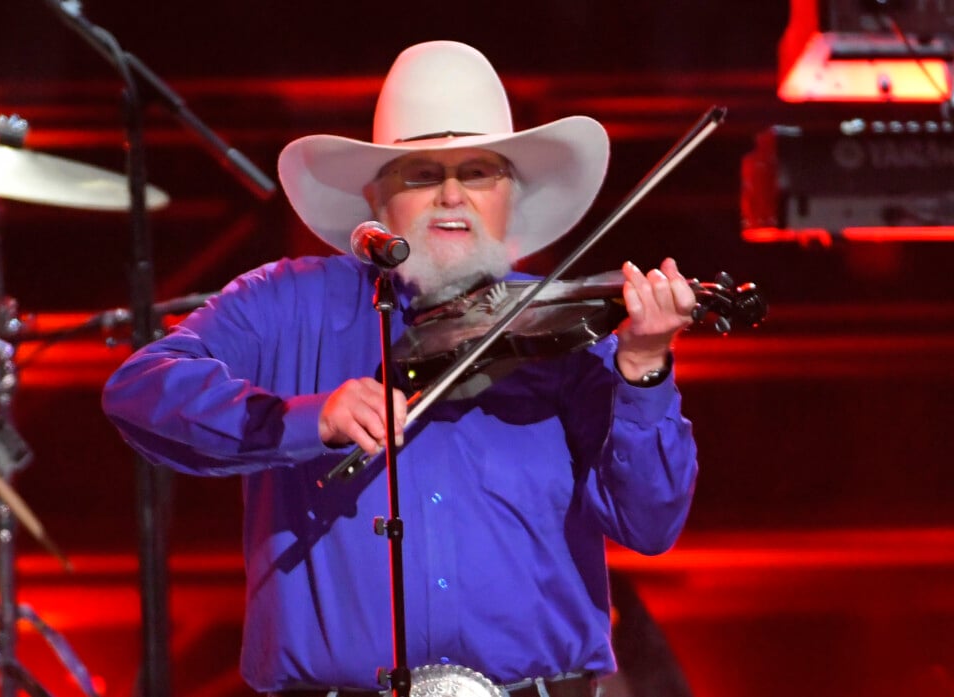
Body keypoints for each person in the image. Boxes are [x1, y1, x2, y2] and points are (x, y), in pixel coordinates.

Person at [102, 40, 698, 697]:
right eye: (421, 174)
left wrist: (643, 367)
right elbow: (141, 387)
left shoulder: (559, 332)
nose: (451, 194)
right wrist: (307, 419)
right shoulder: (289, 301)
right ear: (377, 201)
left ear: (509, 198)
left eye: (478, 172)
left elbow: (649, 523)